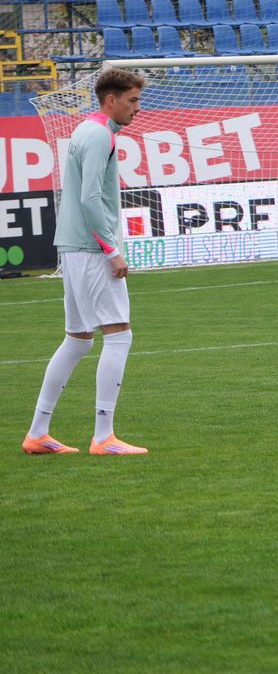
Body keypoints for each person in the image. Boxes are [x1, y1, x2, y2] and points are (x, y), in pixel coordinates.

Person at [23, 68, 148, 455]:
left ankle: (38, 433)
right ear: (111, 100)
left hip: (74, 248)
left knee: (77, 340)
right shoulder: (98, 135)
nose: (137, 108)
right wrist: (111, 250)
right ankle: (103, 437)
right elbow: (90, 199)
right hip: (92, 249)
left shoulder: (88, 130)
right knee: (119, 333)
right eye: (132, 100)